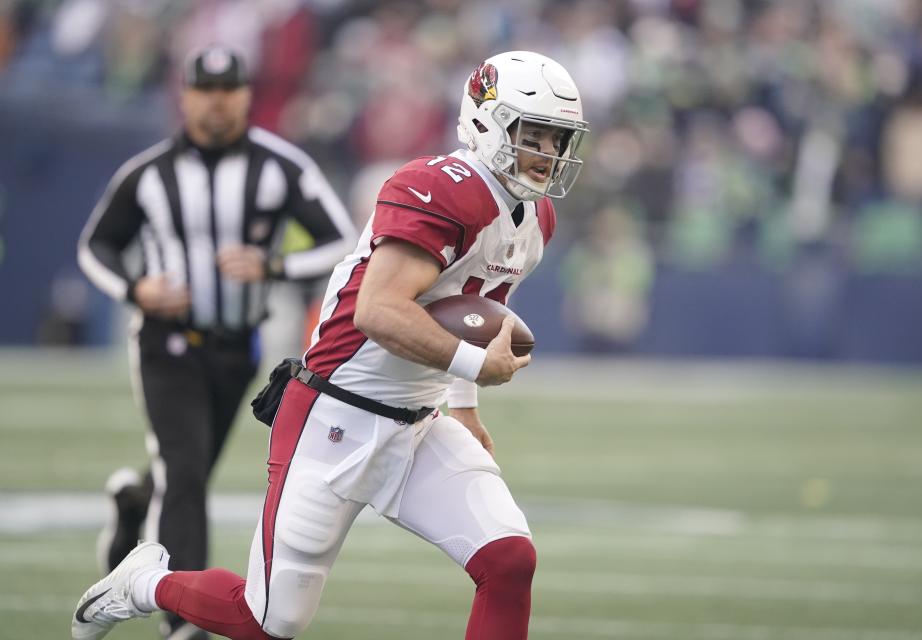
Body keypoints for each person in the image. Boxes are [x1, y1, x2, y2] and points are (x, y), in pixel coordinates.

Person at [71, 50, 589, 640]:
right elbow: (377, 310)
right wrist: (475, 366)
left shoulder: (535, 217)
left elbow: (474, 308)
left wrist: (464, 404)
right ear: (486, 123)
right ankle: (143, 583)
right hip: (334, 415)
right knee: (267, 621)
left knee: (508, 560)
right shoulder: (440, 188)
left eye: (559, 139)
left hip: (418, 425)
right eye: (536, 136)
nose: (550, 155)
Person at [75, 45, 357, 640]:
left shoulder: (280, 166)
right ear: (186, 95)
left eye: (229, 89)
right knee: (186, 473)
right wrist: (137, 288)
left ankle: (133, 516)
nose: (218, 102)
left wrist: (274, 266)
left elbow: (343, 241)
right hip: (165, 342)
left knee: (188, 468)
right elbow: (94, 247)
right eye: (206, 89)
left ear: (246, 95)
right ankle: (181, 620)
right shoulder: (149, 173)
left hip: (237, 348)